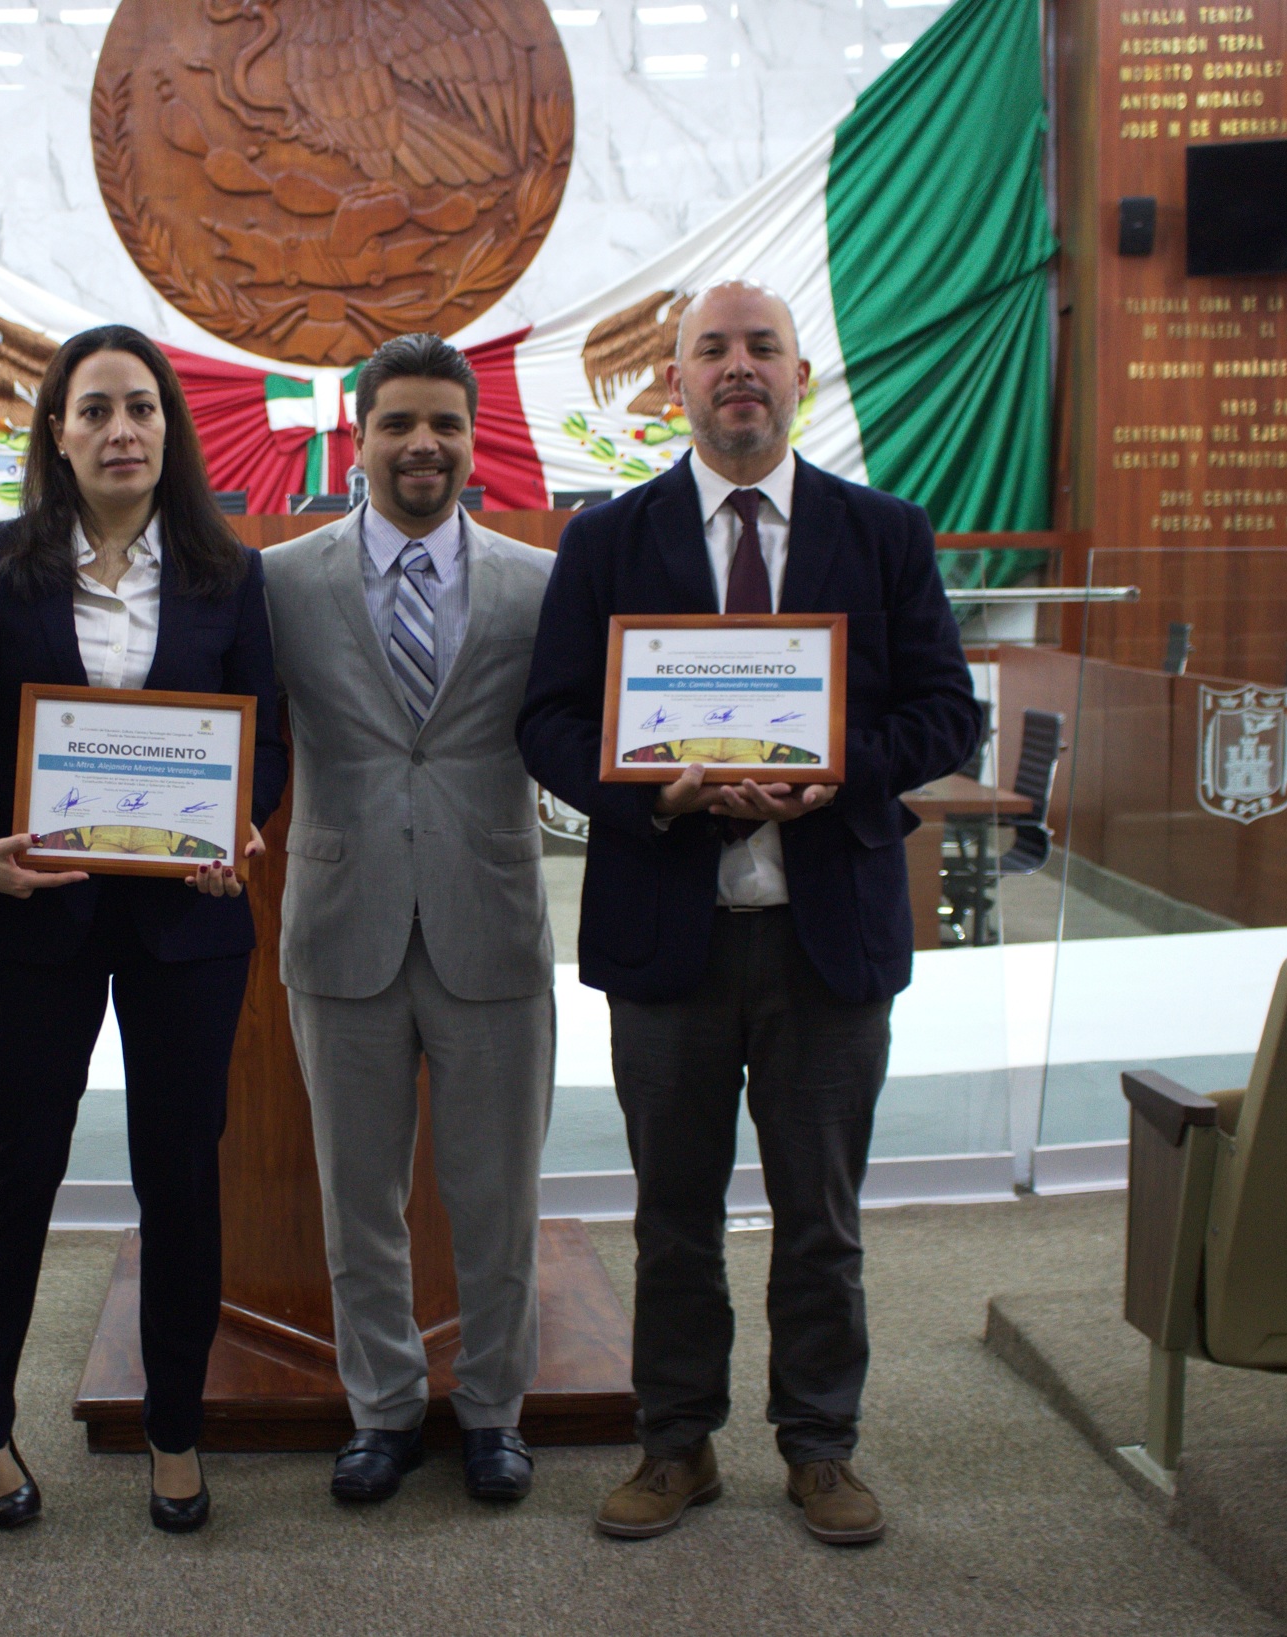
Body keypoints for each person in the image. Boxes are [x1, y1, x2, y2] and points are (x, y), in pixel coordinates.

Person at [518, 282, 981, 1545]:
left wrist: (845, 769)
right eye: (711, 350)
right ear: (675, 382)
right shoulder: (605, 541)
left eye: (760, 348)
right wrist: (649, 790)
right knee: (671, 1213)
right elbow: (549, 723)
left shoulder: (881, 531)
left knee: (819, 1219)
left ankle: (818, 1446)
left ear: (798, 379)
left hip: (827, 933)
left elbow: (948, 710)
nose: (738, 368)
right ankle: (675, 1445)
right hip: (667, 934)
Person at [0, 324, 286, 1535]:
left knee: (179, 1176)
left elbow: (267, 744)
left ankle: (175, 1427)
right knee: (14, 1166)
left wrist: (237, 824)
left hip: (184, 928)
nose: (120, 429)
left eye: (140, 407)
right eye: (94, 410)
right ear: (57, 431)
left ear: (169, 429)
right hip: (34, 915)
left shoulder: (227, 574)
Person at [261, 333, 557, 1505]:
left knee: (497, 1197)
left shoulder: (540, 581)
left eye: (443, 423)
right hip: (341, 922)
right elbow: (235, 726)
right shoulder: (282, 582)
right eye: (397, 423)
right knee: (358, 1197)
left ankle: (492, 1410)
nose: (420, 444)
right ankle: (380, 1409)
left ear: (471, 439)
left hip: (490, 920)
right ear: (360, 435)